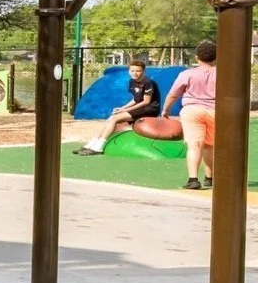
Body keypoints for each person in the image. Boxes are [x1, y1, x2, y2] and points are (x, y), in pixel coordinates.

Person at [76, 56, 171, 155]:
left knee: (114, 119)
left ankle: (99, 147)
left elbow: (146, 102)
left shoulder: (148, 83)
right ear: (129, 71)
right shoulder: (132, 82)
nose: (135, 73)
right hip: (141, 108)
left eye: (138, 71)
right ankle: (90, 144)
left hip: (150, 110)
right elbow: (135, 99)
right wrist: (122, 108)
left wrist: (125, 111)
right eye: (132, 70)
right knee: (111, 118)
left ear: (143, 71)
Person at [173, 39, 220, 190]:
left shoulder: (187, 74)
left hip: (192, 110)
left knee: (194, 145)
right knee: (209, 145)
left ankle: (193, 179)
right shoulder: (224, 73)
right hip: (215, 111)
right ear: (216, 57)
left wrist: (166, 109)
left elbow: (174, 94)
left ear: (197, 58)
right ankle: (210, 178)